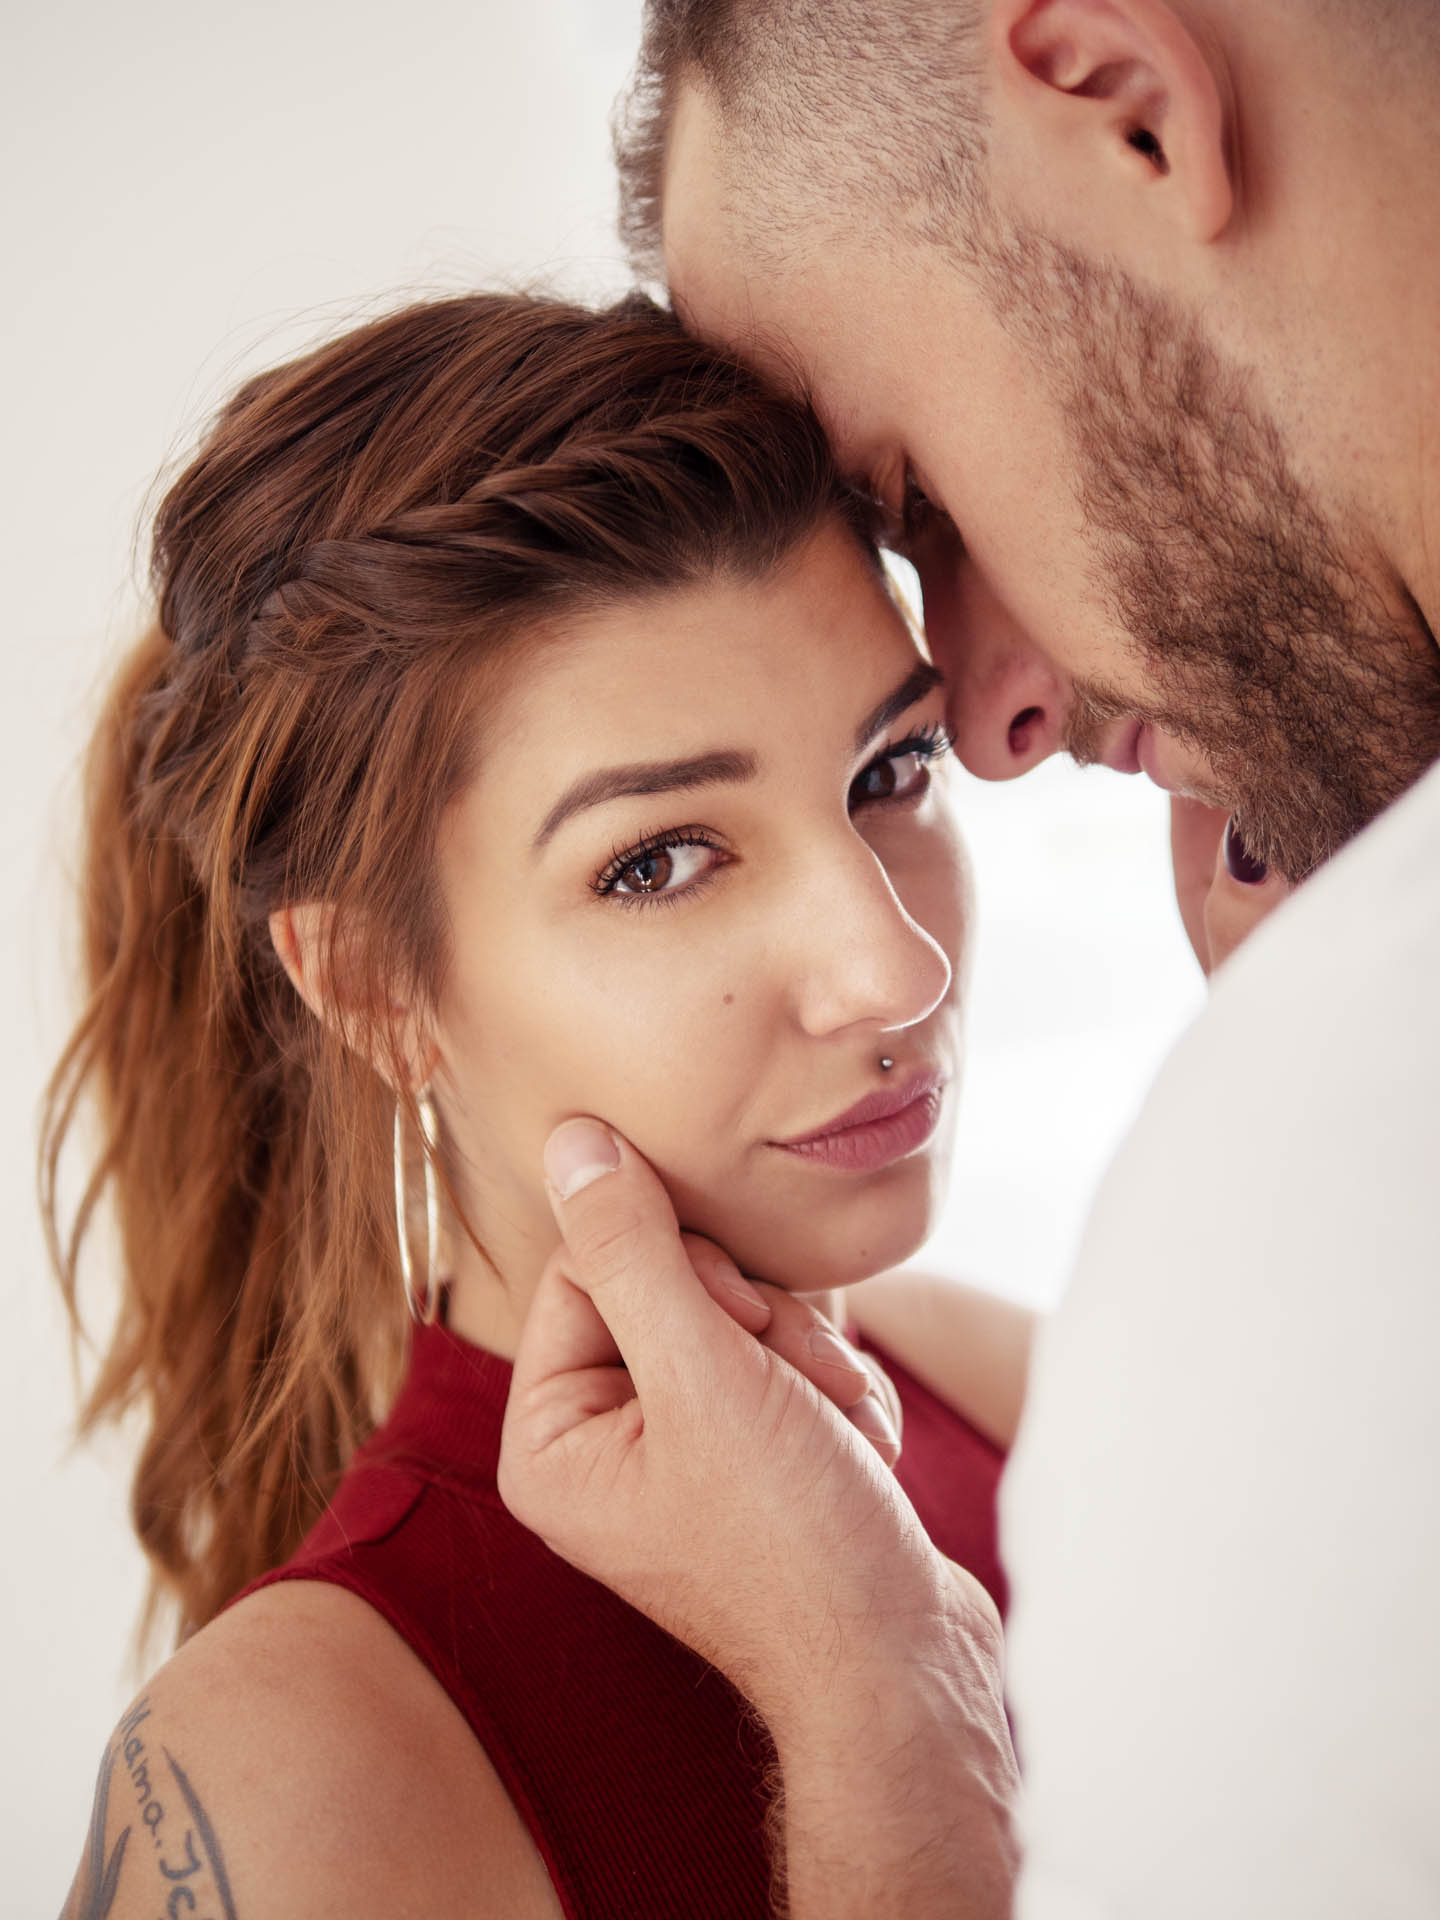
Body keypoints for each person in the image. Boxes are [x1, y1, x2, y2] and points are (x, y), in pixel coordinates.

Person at [496, 3, 1440, 1915]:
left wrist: (888, 1723)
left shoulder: (1311, 1192)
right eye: (666, 854)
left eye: (915, 495)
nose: (999, 717)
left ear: (1126, 110)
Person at [45, 288, 1037, 1919]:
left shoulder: (1002, 1387)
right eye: (661, 860)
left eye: (890, 774)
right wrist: (877, 1703)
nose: (895, 966)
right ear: (374, 987)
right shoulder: (297, 1774)